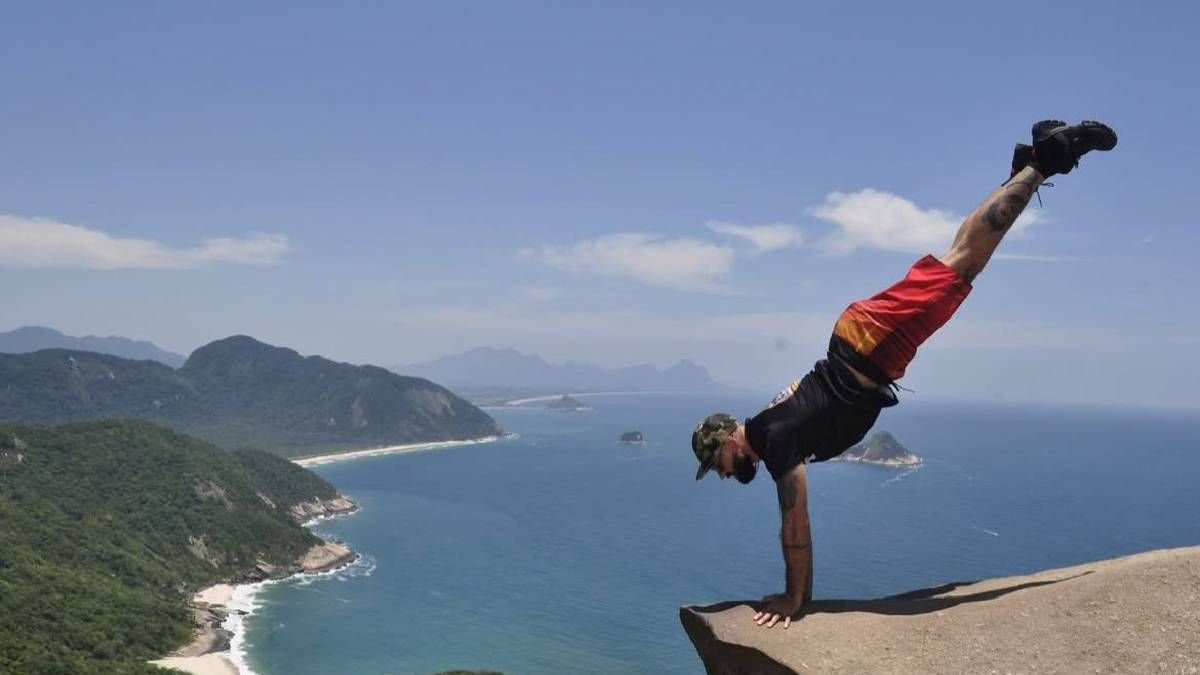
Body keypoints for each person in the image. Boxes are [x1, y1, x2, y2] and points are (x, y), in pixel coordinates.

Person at [690, 120, 1118, 629]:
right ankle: (1026, 167)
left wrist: (793, 599)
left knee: (963, 264)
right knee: (959, 261)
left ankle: (1047, 159)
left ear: (727, 441)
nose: (720, 473)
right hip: (865, 348)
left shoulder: (770, 437)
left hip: (869, 347)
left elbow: (795, 523)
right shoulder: (766, 427)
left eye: (715, 462)